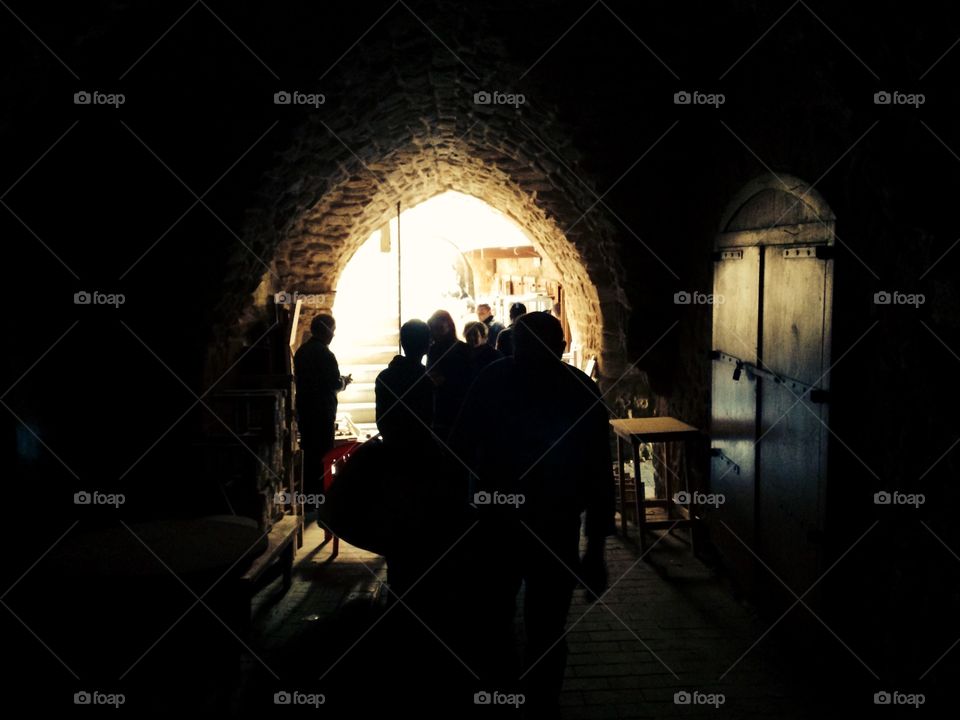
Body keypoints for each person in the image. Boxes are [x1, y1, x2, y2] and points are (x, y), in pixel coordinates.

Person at [452, 312, 615, 715]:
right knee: (544, 627)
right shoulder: (581, 390)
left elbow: (458, 449)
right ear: (560, 347)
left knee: (496, 619)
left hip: (498, 522)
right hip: (554, 525)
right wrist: (595, 548)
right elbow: (598, 477)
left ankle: (503, 694)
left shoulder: (491, 381)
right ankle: (540, 704)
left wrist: (458, 517)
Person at [293, 314, 352, 496]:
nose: (333, 335)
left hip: (305, 411)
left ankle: (309, 493)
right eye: (333, 330)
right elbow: (333, 383)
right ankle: (319, 494)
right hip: (323, 413)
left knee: (309, 453)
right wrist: (344, 382)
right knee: (322, 456)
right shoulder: (326, 355)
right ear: (326, 331)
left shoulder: (302, 352)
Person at [375, 319, 434, 449]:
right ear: (427, 345)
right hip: (421, 449)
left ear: (401, 343)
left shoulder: (384, 377)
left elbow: (382, 420)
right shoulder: (427, 380)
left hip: (393, 448)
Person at [426, 310, 475, 440]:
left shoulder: (434, 350)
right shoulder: (463, 349)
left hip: (446, 406)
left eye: (439, 329)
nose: (436, 333)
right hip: (456, 407)